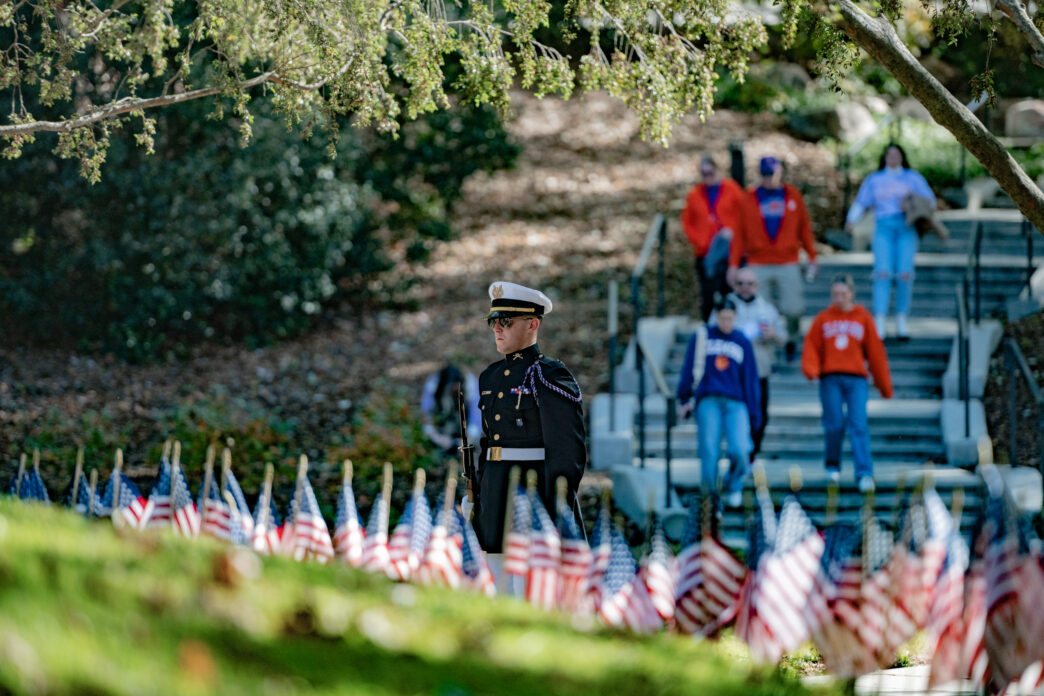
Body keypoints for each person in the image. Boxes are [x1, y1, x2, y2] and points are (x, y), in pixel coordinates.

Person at [471, 281, 586, 552]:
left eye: (506, 321)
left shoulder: (548, 374)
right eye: (493, 322)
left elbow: (567, 452)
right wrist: (478, 493)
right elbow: (489, 444)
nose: (497, 328)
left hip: (533, 497)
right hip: (493, 494)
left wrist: (555, 506)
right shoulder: (490, 376)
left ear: (532, 324)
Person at [801, 274, 893, 494]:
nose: (839, 298)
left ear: (851, 293)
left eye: (843, 294)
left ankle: (864, 472)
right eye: (835, 294)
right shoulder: (823, 318)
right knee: (833, 423)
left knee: (858, 424)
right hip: (830, 377)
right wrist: (811, 369)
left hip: (856, 379)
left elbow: (875, 353)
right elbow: (811, 345)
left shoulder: (863, 318)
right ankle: (832, 466)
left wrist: (884, 386)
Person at [728, 156, 817, 361]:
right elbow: (738, 234)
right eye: (766, 174)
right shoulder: (748, 198)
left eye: (773, 174)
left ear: (780, 173)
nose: (769, 178)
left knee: (794, 307)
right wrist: (734, 265)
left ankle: (791, 339)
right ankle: (767, 356)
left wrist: (812, 255)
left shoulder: (792, 196)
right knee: (761, 313)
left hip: (787, 260)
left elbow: (804, 228)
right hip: (758, 261)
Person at [845, 143, 936, 340]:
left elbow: (930, 201)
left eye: (896, 154)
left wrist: (911, 202)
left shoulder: (912, 178)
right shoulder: (875, 179)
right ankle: (880, 321)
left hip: (906, 227)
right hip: (884, 227)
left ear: (902, 157)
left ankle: (902, 320)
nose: (893, 158)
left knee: (904, 273)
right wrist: (851, 220)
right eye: (889, 154)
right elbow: (862, 201)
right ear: (884, 157)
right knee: (882, 273)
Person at [676, 298, 761, 508]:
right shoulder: (703, 336)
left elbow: (750, 378)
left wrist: (754, 411)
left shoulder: (741, 340)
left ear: (736, 317)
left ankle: (734, 483)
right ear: (716, 316)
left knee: (740, 449)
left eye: (730, 318)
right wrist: (684, 397)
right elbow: (689, 367)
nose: (726, 322)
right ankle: (710, 497)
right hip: (708, 399)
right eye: (722, 318)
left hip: (735, 402)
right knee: (709, 450)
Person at [711, 267, 786, 460]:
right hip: (730, 373)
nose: (745, 288)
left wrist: (773, 335)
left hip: (759, 370)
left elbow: (784, 337)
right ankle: (734, 454)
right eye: (740, 283)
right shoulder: (725, 306)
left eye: (749, 284)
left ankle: (751, 455)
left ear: (757, 285)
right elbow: (710, 333)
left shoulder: (767, 309)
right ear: (734, 284)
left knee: (759, 414)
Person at [681, 155, 746, 321]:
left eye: (710, 172)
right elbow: (687, 223)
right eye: (704, 173)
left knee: (731, 290)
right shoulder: (694, 194)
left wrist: (732, 232)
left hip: (730, 250)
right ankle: (708, 328)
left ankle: (732, 325)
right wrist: (702, 242)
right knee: (708, 293)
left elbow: (745, 215)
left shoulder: (731, 189)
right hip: (706, 253)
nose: (708, 176)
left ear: (717, 171)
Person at [420, 363, 481, 454]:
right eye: (452, 390)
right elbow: (425, 415)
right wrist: (437, 438)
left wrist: (468, 439)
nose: (454, 391)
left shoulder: (471, 384)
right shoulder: (433, 384)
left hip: (464, 426)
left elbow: (476, 418)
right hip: (443, 424)